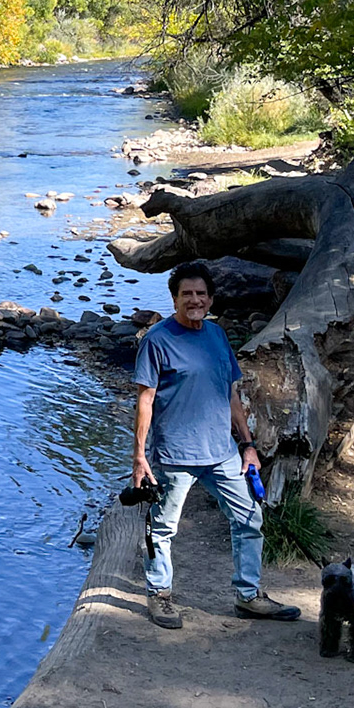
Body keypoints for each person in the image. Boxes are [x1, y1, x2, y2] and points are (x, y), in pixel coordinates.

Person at [131, 259, 301, 629]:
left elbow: (231, 395)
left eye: (201, 294)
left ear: (210, 300)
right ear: (175, 299)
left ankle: (249, 596)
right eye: (187, 294)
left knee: (249, 519)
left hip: (221, 452)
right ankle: (160, 595)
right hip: (174, 455)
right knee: (162, 529)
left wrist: (248, 445)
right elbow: (145, 399)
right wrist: (140, 457)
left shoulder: (216, 336)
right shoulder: (157, 341)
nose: (195, 300)